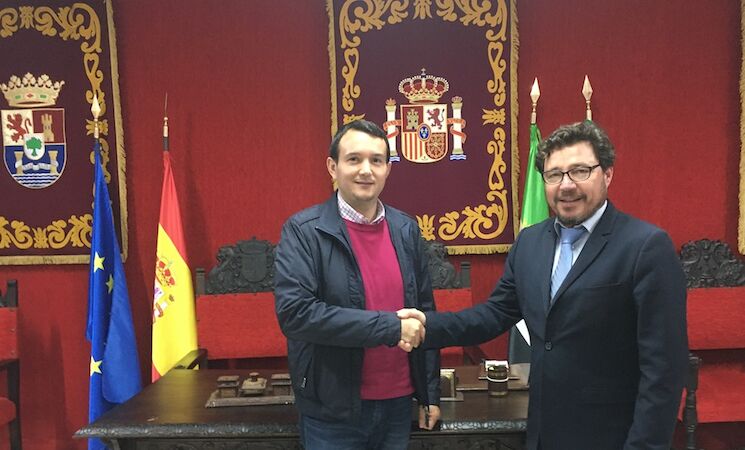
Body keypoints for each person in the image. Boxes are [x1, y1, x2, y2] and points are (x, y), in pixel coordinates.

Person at [399, 121, 688, 450]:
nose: (566, 185)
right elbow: (494, 314)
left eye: (580, 171)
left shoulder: (645, 247)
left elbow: (663, 370)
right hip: (542, 432)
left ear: (607, 174)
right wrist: (426, 326)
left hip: (611, 436)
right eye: (554, 175)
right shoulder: (530, 243)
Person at [274, 119, 441, 450]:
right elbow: (296, 315)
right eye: (354, 159)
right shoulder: (304, 231)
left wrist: (429, 393)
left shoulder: (406, 229)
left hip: (398, 404)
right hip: (332, 410)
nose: (366, 170)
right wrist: (390, 327)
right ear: (332, 167)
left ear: (387, 170)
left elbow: (425, 313)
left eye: (377, 160)